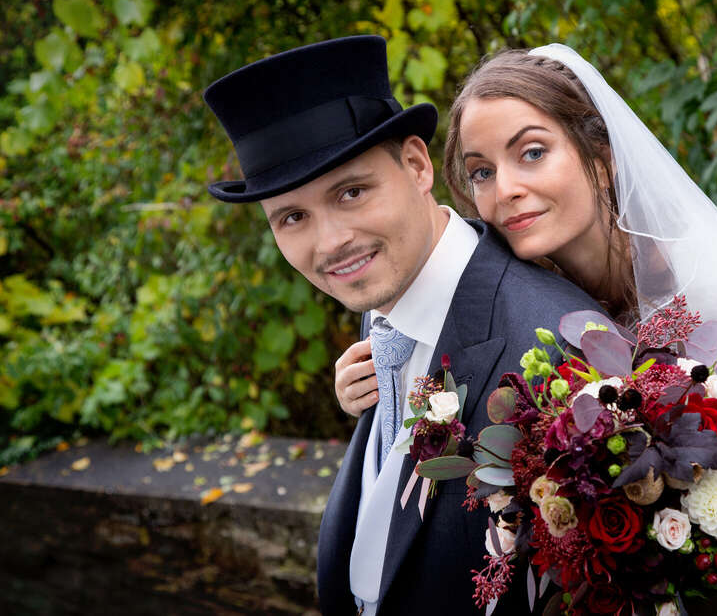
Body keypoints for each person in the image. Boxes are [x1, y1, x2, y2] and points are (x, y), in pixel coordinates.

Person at [337, 44, 717, 615]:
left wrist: (699, 512)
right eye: (482, 172)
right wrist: (381, 381)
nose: (505, 189)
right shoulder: (523, 292)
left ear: (602, 155)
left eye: (533, 153)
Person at [202, 36, 603, 616]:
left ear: (417, 166)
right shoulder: (387, 306)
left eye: (352, 192)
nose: (330, 243)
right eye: (292, 217)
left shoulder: (558, 351)